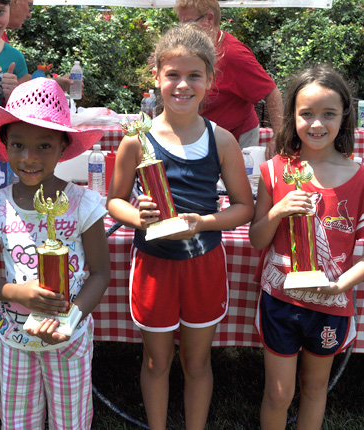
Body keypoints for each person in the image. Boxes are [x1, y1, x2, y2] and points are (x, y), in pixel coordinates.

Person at [107, 24, 254, 429]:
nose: (182, 85)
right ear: (156, 77)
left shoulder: (222, 140)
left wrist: (202, 222)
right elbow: (113, 200)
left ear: (210, 80)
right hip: (154, 263)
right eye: (172, 75)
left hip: (203, 263)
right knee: (156, 361)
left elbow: (244, 207)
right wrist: (138, 216)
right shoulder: (136, 140)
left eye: (194, 76)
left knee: (196, 361)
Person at [248, 65, 364, 430]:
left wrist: (340, 286)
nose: (316, 124)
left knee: (314, 389)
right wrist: (278, 210)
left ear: (344, 117)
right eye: (306, 113)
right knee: (279, 394)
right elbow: (257, 238)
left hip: (331, 306)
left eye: (328, 114)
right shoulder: (274, 171)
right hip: (280, 302)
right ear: (292, 115)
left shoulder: (363, 180)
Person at [0, 78, 110, 429]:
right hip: (15, 338)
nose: (29, 158)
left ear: (63, 147)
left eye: (44, 146)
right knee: (18, 422)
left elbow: (100, 273)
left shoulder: (82, 203)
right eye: (18, 144)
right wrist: (19, 293)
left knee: (71, 422)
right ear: (4, 145)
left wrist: (72, 317)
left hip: (70, 340)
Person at [175, 0, 283, 156]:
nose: (182, 30)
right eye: (180, 24)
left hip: (237, 138)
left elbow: (272, 93)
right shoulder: (194, 47)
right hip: (203, 135)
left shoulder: (235, 55)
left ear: (209, 19)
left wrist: (278, 137)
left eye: (187, 23)